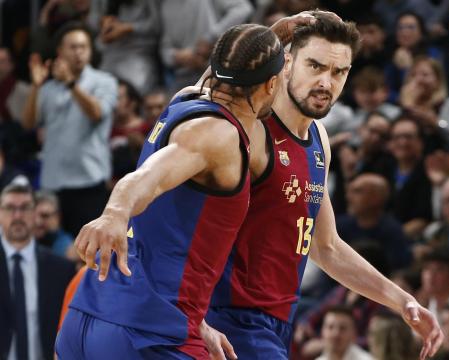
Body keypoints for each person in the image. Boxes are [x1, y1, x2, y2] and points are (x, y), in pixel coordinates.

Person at [202, 12, 443, 360]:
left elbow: (326, 246)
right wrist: (268, 36)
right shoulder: (249, 125)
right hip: (225, 315)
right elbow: (200, 100)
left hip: (277, 319)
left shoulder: (319, 141)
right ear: (286, 64)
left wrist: (402, 300)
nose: (326, 83)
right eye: (314, 66)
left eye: (338, 72)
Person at [56, 18, 301, 360]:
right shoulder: (219, 135)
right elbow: (147, 178)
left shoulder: (186, 99)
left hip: (85, 319)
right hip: (149, 334)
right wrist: (114, 212)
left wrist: (273, 35)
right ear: (272, 83)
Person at [22, 22, 118, 236]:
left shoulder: (105, 82)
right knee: (52, 249)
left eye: (84, 47)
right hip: (53, 183)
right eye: (73, 47)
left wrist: (71, 84)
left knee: (87, 252)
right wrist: (36, 87)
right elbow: (28, 123)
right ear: (60, 51)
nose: (79, 52)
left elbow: (97, 112)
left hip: (89, 183)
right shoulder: (47, 88)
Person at [0, 184, 76, 360]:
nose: (17, 216)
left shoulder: (61, 269)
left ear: (35, 214)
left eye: (25, 207)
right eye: (10, 208)